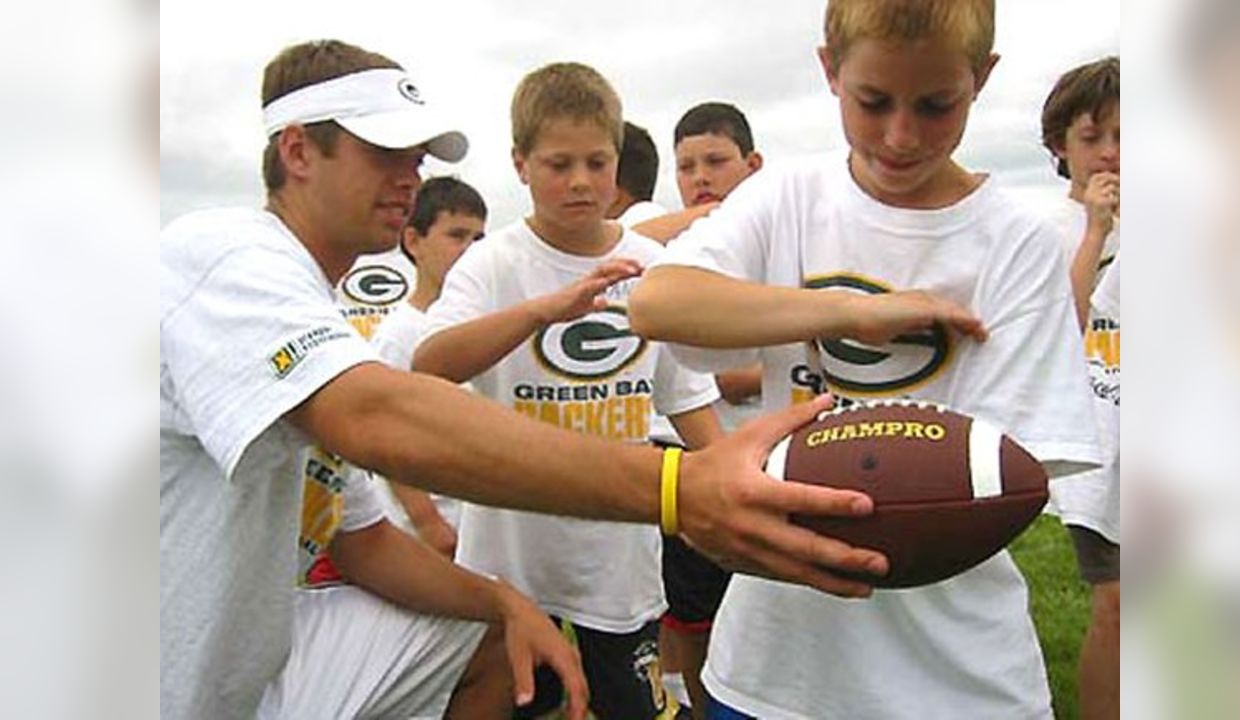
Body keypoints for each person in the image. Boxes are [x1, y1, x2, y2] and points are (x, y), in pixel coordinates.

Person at [160, 37, 940, 719]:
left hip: (244, 674)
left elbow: (360, 541)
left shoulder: (313, 307)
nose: (411, 176)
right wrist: (679, 488)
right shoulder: (224, 254)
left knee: (500, 638)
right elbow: (380, 414)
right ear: (297, 152)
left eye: (416, 156)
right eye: (382, 152)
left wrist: (502, 600)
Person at [629, 1, 1103, 717]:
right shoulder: (788, 195)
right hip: (772, 671)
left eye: (937, 104)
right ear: (830, 69)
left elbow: (999, 480)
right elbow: (659, 302)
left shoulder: (1017, 244)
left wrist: (806, 493)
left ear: (981, 78)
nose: (901, 135)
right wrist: (851, 311)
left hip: (957, 680)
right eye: (872, 101)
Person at [413, 61, 723, 720]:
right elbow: (427, 363)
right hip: (512, 565)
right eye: (559, 164)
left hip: (619, 560)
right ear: (520, 163)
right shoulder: (494, 262)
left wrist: (735, 487)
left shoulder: (654, 266)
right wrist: (539, 312)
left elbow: (688, 400)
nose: (581, 181)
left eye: (597, 161)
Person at [261, 446, 584, 718]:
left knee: (490, 627)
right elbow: (384, 417)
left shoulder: (315, 411)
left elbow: (366, 547)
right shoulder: (291, 388)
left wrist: (506, 602)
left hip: (266, 640)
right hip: (217, 673)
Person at [660, 100, 767, 719]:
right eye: (686, 166)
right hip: (695, 459)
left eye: (716, 161)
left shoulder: (782, 241)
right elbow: (714, 378)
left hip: (774, 460)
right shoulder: (681, 250)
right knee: (690, 611)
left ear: (752, 164)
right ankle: (687, 707)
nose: (700, 176)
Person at [1039, 55, 1120, 720]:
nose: (1112, 154)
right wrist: (1095, 230)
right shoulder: (1047, 231)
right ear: (1060, 147)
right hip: (1103, 450)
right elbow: (1060, 332)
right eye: (1092, 138)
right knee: (1121, 605)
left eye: (1127, 135)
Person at [370, 175, 488, 556]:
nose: (470, 250)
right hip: (424, 536)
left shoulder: (483, 329)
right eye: (457, 236)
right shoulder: (398, 334)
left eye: (478, 238)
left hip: (476, 526)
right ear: (414, 241)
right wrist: (428, 523)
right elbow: (382, 437)